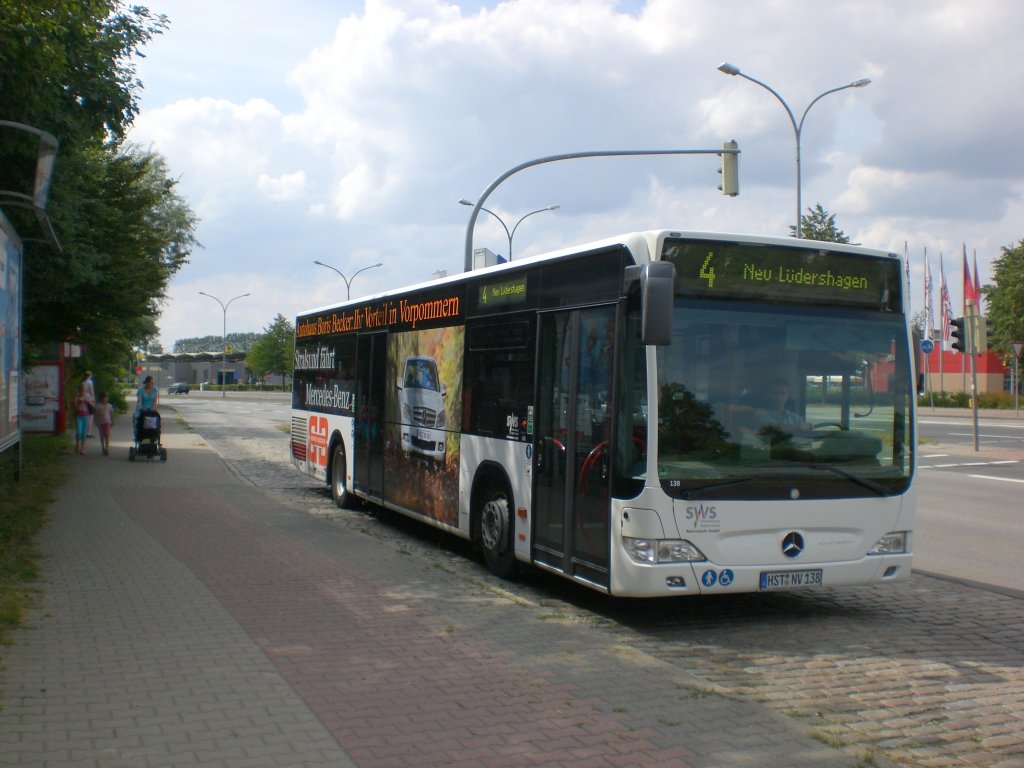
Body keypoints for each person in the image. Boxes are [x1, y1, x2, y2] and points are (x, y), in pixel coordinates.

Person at [93, 391, 114, 455]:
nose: (105, 399)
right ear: (101, 398)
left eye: (106, 397)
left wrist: (112, 421)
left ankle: (107, 448)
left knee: (107, 435)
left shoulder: (109, 406)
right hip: (100, 422)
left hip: (107, 422)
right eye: (103, 397)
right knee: (102, 436)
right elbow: (95, 415)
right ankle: (103, 447)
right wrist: (96, 421)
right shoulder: (98, 406)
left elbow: (111, 414)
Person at [73, 384, 90, 455]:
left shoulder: (87, 396)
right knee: (79, 432)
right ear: (79, 390)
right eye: (81, 390)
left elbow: (91, 404)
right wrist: (78, 402)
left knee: (84, 433)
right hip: (79, 416)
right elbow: (75, 405)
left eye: (84, 390)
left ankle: (82, 449)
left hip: (85, 415)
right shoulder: (77, 397)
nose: (82, 392)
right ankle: (77, 444)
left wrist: (87, 401)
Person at [81, 371, 96, 438]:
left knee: (84, 415)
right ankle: (88, 433)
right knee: (91, 417)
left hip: (83, 399)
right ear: (90, 376)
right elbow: (91, 391)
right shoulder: (90, 382)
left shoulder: (82, 382)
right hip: (89, 399)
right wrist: (93, 400)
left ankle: (83, 431)